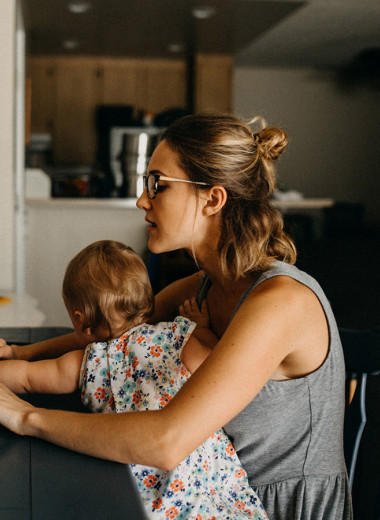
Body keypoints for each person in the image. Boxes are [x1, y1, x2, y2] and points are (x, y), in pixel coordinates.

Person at [0, 113, 353, 519]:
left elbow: (167, 442)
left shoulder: (280, 301)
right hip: (203, 497)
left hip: (271, 508)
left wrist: (26, 417)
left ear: (213, 199)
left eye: (157, 184)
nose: (142, 200)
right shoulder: (204, 285)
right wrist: (20, 355)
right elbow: (116, 335)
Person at [0, 240, 267, 520]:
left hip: (145, 495)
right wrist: (201, 327)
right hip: (208, 485)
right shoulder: (182, 336)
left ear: (79, 319)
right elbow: (211, 359)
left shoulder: (92, 361)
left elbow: (26, 378)